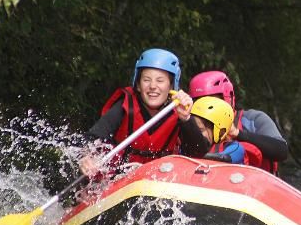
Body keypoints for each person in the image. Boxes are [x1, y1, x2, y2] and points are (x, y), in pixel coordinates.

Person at [79, 48, 209, 176]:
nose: (152, 86)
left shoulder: (178, 112)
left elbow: (197, 152)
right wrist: (87, 157)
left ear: (170, 86)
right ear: (139, 85)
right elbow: (92, 138)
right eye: (146, 80)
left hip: (157, 181)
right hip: (118, 180)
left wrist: (186, 119)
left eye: (160, 80)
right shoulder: (125, 107)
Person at [189, 70, 288, 174]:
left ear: (229, 98)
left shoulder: (253, 119)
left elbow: (281, 150)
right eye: (200, 102)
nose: (207, 108)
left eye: (213, 101)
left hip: (253, 185)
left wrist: (237, 133)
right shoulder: (191, 125)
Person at [190, 96, 247, 164]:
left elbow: (223, 158)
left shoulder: (236, 148)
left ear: (220, 132)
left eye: (201, 130)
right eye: (193, 127)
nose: (194, 132)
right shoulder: (189, 144)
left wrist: (193, 155)